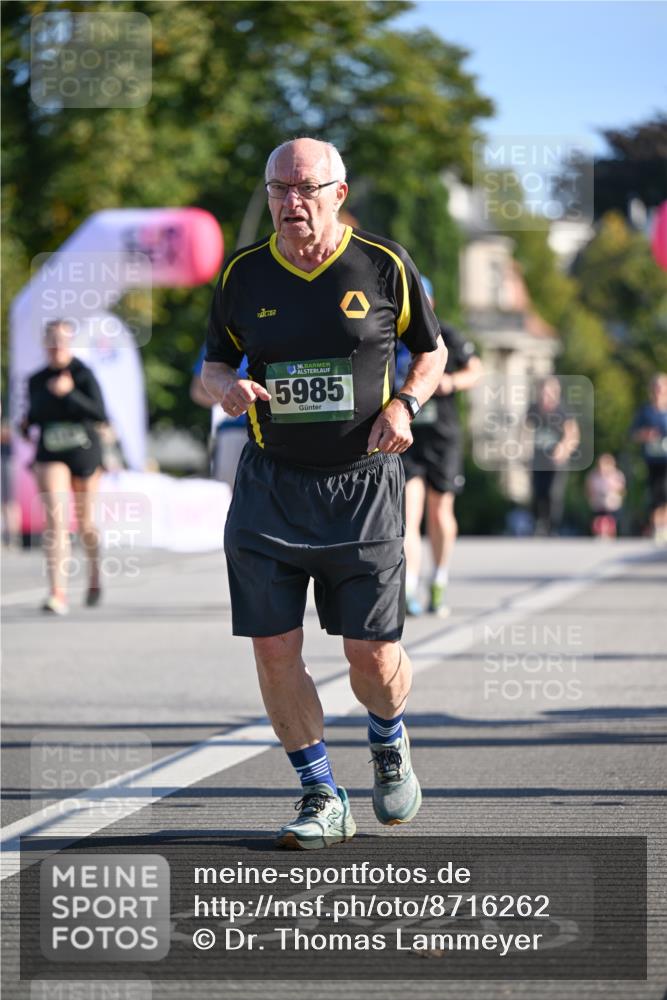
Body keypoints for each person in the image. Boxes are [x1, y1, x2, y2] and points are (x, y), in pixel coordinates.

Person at [203, 138, 445, 849]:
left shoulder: (385, 264)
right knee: (274, 648)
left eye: (305, 188)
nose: (290, 202)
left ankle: (388, 737)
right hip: (270, 486)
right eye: (279, 189)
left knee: (369, 658)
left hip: (362, 485)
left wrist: (403, 403)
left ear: (339, 194)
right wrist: (226, 389)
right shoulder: (243, 275)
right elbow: (213, 363)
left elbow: (430, 353)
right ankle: (318, 791)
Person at [399, 277, 482, 617]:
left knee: (440, 512)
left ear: (430, 302)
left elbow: (475, 371)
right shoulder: (393, 339)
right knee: (409, 513)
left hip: (443, 437)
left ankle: (439, 580)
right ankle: (409, 588)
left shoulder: (447, 334)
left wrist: (450, 381)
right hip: (407, 435)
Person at [24, 319, 108, 614]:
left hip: (83, 451)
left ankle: (94, 575)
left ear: (70, 343)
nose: (56, 346)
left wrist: (69, 393)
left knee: (85, 523)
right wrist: (26, 422)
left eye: (62, 340)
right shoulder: (35, 379)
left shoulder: (83, 374)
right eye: (51, 341)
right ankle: (57, 593)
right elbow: (32, 417)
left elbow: (100, 413)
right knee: (56, 521)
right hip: (50, 451)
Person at [524, 376, 580, 536]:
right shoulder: (533, 409)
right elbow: (525, 429)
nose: (545, 394)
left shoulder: (563, 411)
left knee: (553, 493)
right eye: (543, 391)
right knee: (537, 492)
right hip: (538, 459)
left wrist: (563, 448)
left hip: (556, 461)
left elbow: (573, 434)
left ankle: (553, 526)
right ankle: (538, 524)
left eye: (549, 391)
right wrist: (522, 448)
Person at [190, 344, 248, 487]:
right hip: (234, 430)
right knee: (228, 489)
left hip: (273, 430)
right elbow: (197, 391)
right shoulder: (220, 339)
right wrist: (228, 399)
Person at [632, 373, 667, 544]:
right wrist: (646, 435)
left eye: (662, 386)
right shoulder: (645, 411)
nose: (659, 390)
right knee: (655, 493)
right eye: (656, 387)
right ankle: (657, 527)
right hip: (653, 459)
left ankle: (664, 526)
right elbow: (634, 434)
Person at [585, 453, 626, 538]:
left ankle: (610, 533)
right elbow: (589, 489)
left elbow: (621, 490)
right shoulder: (594, 475)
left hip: (612, 503)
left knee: (611, 519)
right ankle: (599, 533)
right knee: (598, 519)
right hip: (598, 503)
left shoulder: (617, 475)